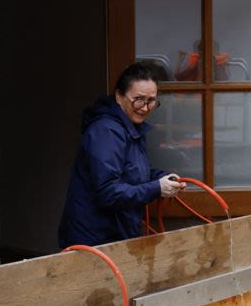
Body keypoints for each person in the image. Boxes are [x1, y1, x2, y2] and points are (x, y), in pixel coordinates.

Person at [58, 62, 186, 247]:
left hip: (115, 233)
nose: (145, 107)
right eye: (138, 99)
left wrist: (162, 178)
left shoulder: (130, 126)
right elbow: (108, 192)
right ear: (119, 96)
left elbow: (133, 171)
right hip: (94, 238)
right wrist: (156, 188)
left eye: (151, 101)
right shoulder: (106, 131)